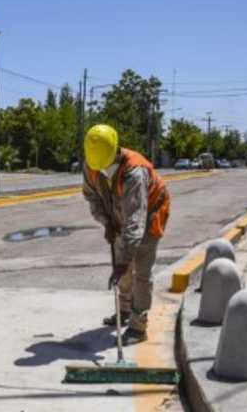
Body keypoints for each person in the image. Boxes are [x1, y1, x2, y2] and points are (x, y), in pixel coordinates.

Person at [82, 124, 170, 344]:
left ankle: (139, 327)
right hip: (121, 213)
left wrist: (124, 261)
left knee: (140, 270)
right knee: (122, 267)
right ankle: (124, 311)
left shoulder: (135, 173)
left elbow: (135, 221)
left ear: (115, 152)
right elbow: (92, 197)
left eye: (106, 165)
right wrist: (107, 223)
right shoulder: (92, 164)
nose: (101, 169)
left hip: (150, 214)